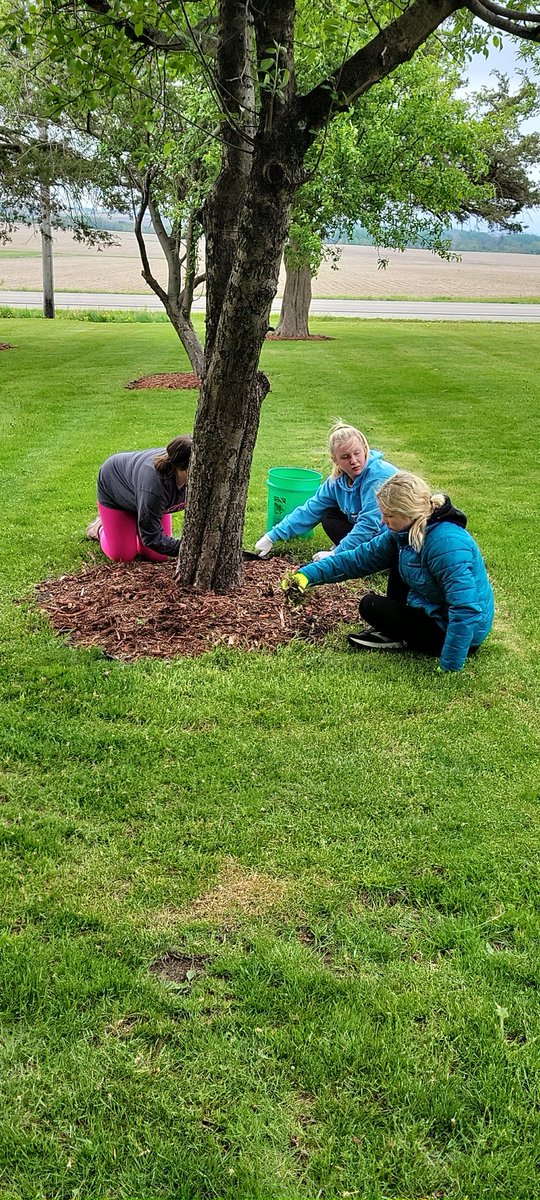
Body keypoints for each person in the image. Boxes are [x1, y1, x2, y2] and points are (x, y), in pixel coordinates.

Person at [284, 471, 494, 673]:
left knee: (371, 606)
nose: (383, 521)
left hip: (458, 633)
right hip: (433, 606)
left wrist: (451, 664)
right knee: (397, 558)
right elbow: (358, 559)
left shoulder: (446, 543)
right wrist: (307, 575)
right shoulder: (404, 532)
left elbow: (465, 608)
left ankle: (399, 636)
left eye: (388, 515)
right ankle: (399, 631)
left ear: (407, 512)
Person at [255, 421, 399, 562]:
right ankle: (353, 550)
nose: (354, 461)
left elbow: (370, 523)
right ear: (335, 460)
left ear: (365, 450)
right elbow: (311, 509)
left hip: (395, 535)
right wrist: (271, 536)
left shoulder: (377, 477)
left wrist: (337, 553)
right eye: (345, 457)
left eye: (357, 453)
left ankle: (363, 554)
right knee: (329, 515)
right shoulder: (336, 481)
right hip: (373, 532)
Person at [86, 435, 192, 563]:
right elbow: (151, 537)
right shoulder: (155, 487)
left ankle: (134, 526)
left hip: (146, 497)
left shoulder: (198, 479)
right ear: (181, 467)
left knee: (157, 556)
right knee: (123, 556)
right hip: (116, 487)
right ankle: (99, 527)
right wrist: (187, 549)